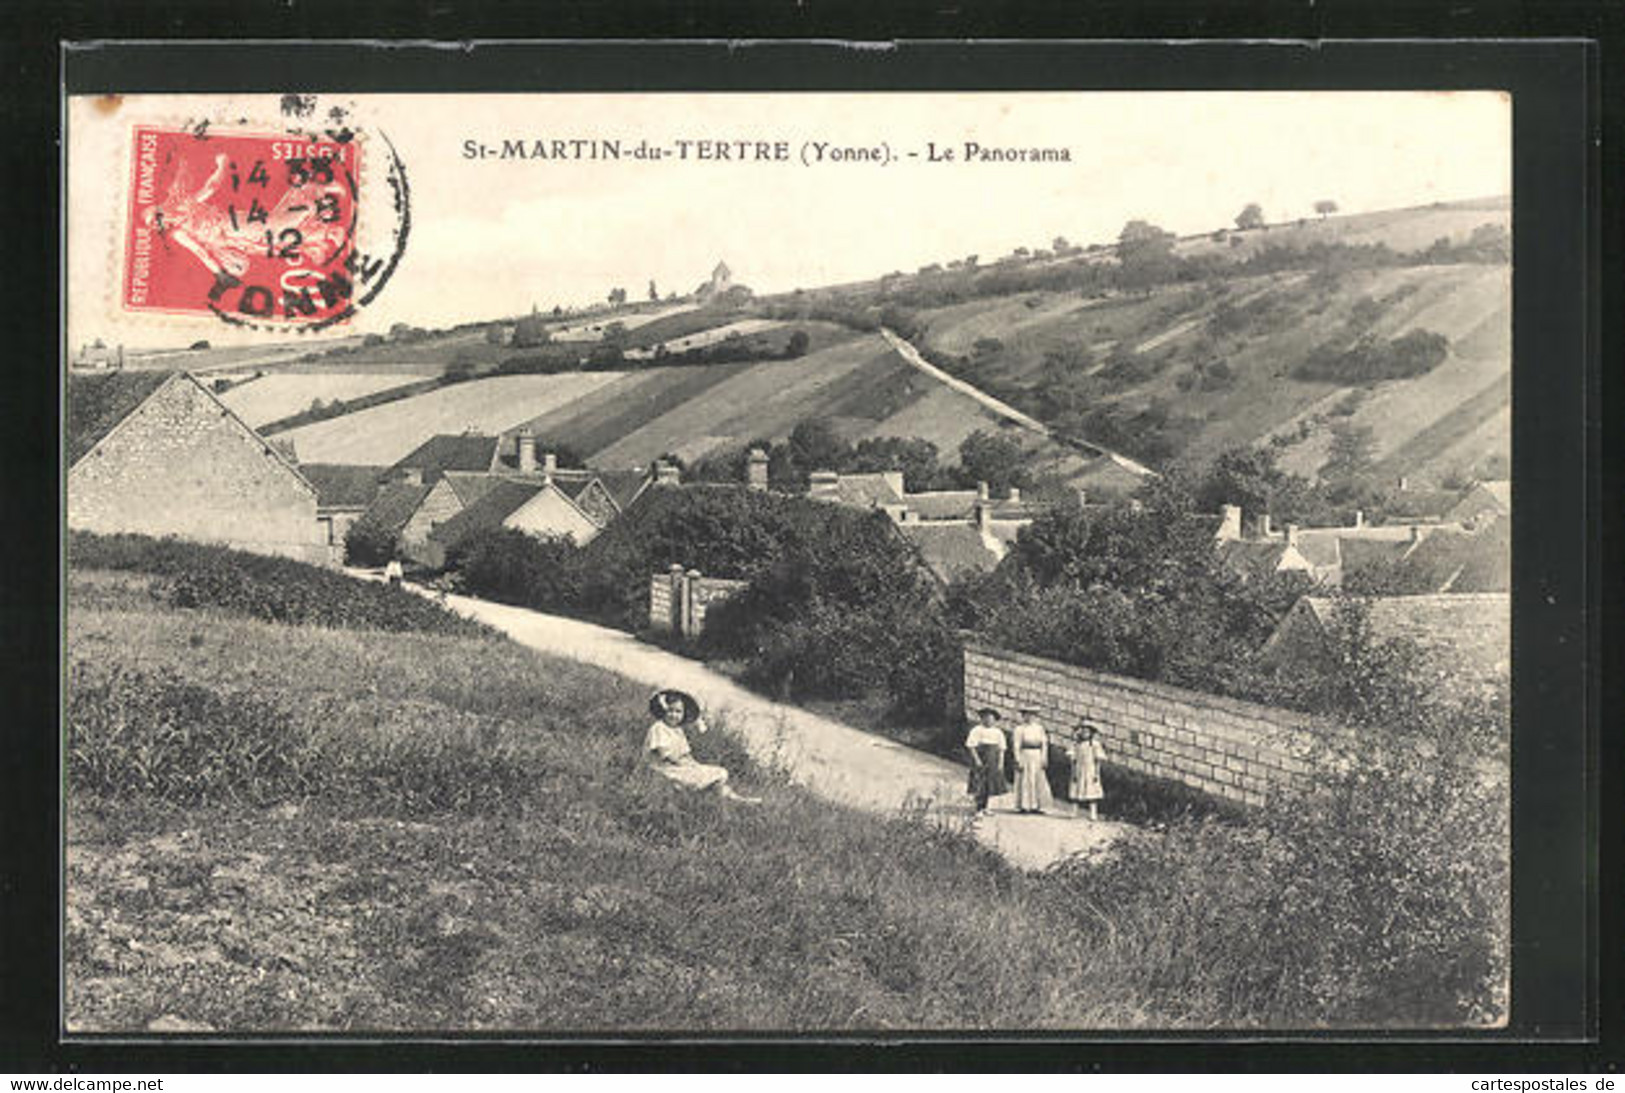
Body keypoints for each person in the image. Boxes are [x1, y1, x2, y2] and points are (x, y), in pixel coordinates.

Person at [644, 689, 760, 802]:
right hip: (664, 770)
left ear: (683, 714)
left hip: (678, 767)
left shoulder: (677, 730)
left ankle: (737, 799)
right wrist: (688, 766)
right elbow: (666, 755)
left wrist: (694, 765)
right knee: (715, 775)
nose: (674, 715)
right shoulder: (659, 728)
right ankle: (697, 792)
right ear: (663, 711)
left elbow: (686, 755)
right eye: (670, 711)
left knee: (718, 774)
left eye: (678, 712)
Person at [963, 707, 1009, 816]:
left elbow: (1002, 749)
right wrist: (977, 760)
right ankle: (978, 808)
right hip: (981, 759)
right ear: (981, 719)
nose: (988, 721)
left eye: (991, 718)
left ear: (994, 720)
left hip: (993, 759)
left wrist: (1000, 763)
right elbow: (971, 746)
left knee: (990, 784)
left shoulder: (998, 732)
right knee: (980, 783)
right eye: (985, 718)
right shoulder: (977, 730)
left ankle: (986, 807)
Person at [1011, 705, 1053, 815]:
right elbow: (1016, 745)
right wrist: (1017, 759)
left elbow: (1044, 744)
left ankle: (1037, 806)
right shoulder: (1019, 729)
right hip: (1025, 755)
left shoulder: (1039, 729)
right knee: (1026, 779)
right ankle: (1025, 805)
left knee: (1038, 780)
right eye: (1026, 715)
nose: (1029, 718)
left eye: (1032, 715)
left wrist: (1044, 758)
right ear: (1023, 716)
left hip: (1037, 756)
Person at [1068, 719, 1108, 821]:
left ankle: (1093, 813)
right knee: (1076, 790)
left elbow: (1097, 760)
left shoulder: (1094, 745)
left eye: (1087, 732)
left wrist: (1096, 773)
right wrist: (1073, 772)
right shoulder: (1077, 745)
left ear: (1091, 733)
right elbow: (1073, 760)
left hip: (1090, 769)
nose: (1084, 733)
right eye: (1083, 731)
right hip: (1079, 769)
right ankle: (1074, 811)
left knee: (1091, 791)